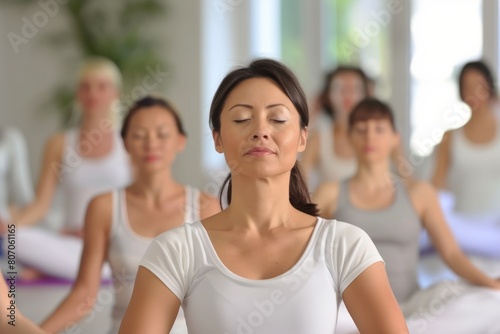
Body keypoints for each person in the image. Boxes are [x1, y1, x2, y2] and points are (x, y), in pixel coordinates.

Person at [119, 59, 409, 334]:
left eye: (278, 119)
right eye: (242, 119)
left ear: (302, 138)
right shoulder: (177, 249)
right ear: (217, 139)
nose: (260, 131)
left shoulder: (344, 245)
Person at [314, 98, 500, 333]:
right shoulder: (329, 192)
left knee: (486, 300)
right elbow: (303, 250)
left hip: (412, 306)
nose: (370, 137)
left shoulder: (420, 193)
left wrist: (490, 283)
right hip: (351, 312)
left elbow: (452, 254)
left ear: (395, 138)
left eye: (379, 129)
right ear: (349, 136)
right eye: (361, 130)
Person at [39, 96, 220, 334]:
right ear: (124, 143)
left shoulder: (205, 207)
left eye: (162, 134)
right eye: (139, 135)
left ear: (180, 141)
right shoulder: (104, 207)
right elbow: (83, 296)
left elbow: (216, 296)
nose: (151, 143)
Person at [11, 57, 133, 280]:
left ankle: (56, 268)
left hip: (116, 243)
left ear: (116, 93)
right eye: (85, 87)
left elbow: (139, 202)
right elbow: (41, 204)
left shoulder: (130, 142)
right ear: (78, 93)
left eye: (101, 87)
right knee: (14, 240)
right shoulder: (58, 143)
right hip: (70, 243)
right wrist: (11, 227)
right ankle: (77, 268)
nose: (93, 94)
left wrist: (101, 234)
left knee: (130, 253)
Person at [432, 60, 500, 215]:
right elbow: (437, 184)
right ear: (461, 92)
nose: (474, 93)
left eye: (479, 86)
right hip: (462, 223)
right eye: (468, 87)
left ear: (489, 87)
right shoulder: (450, 137)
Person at [301, 66, 368, 186]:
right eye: (340, 88)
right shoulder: (319, 138)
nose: (347, 94)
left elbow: (405, 178)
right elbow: (299, 182)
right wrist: (309, 117)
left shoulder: (383, 134)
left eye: (355, 88)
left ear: (366, 94)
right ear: (327, 96)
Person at [0, 127, 34, 229]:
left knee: (13, 238)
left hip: (3, 224)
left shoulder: (11, 139)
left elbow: (25, 199)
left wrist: (13, 220)